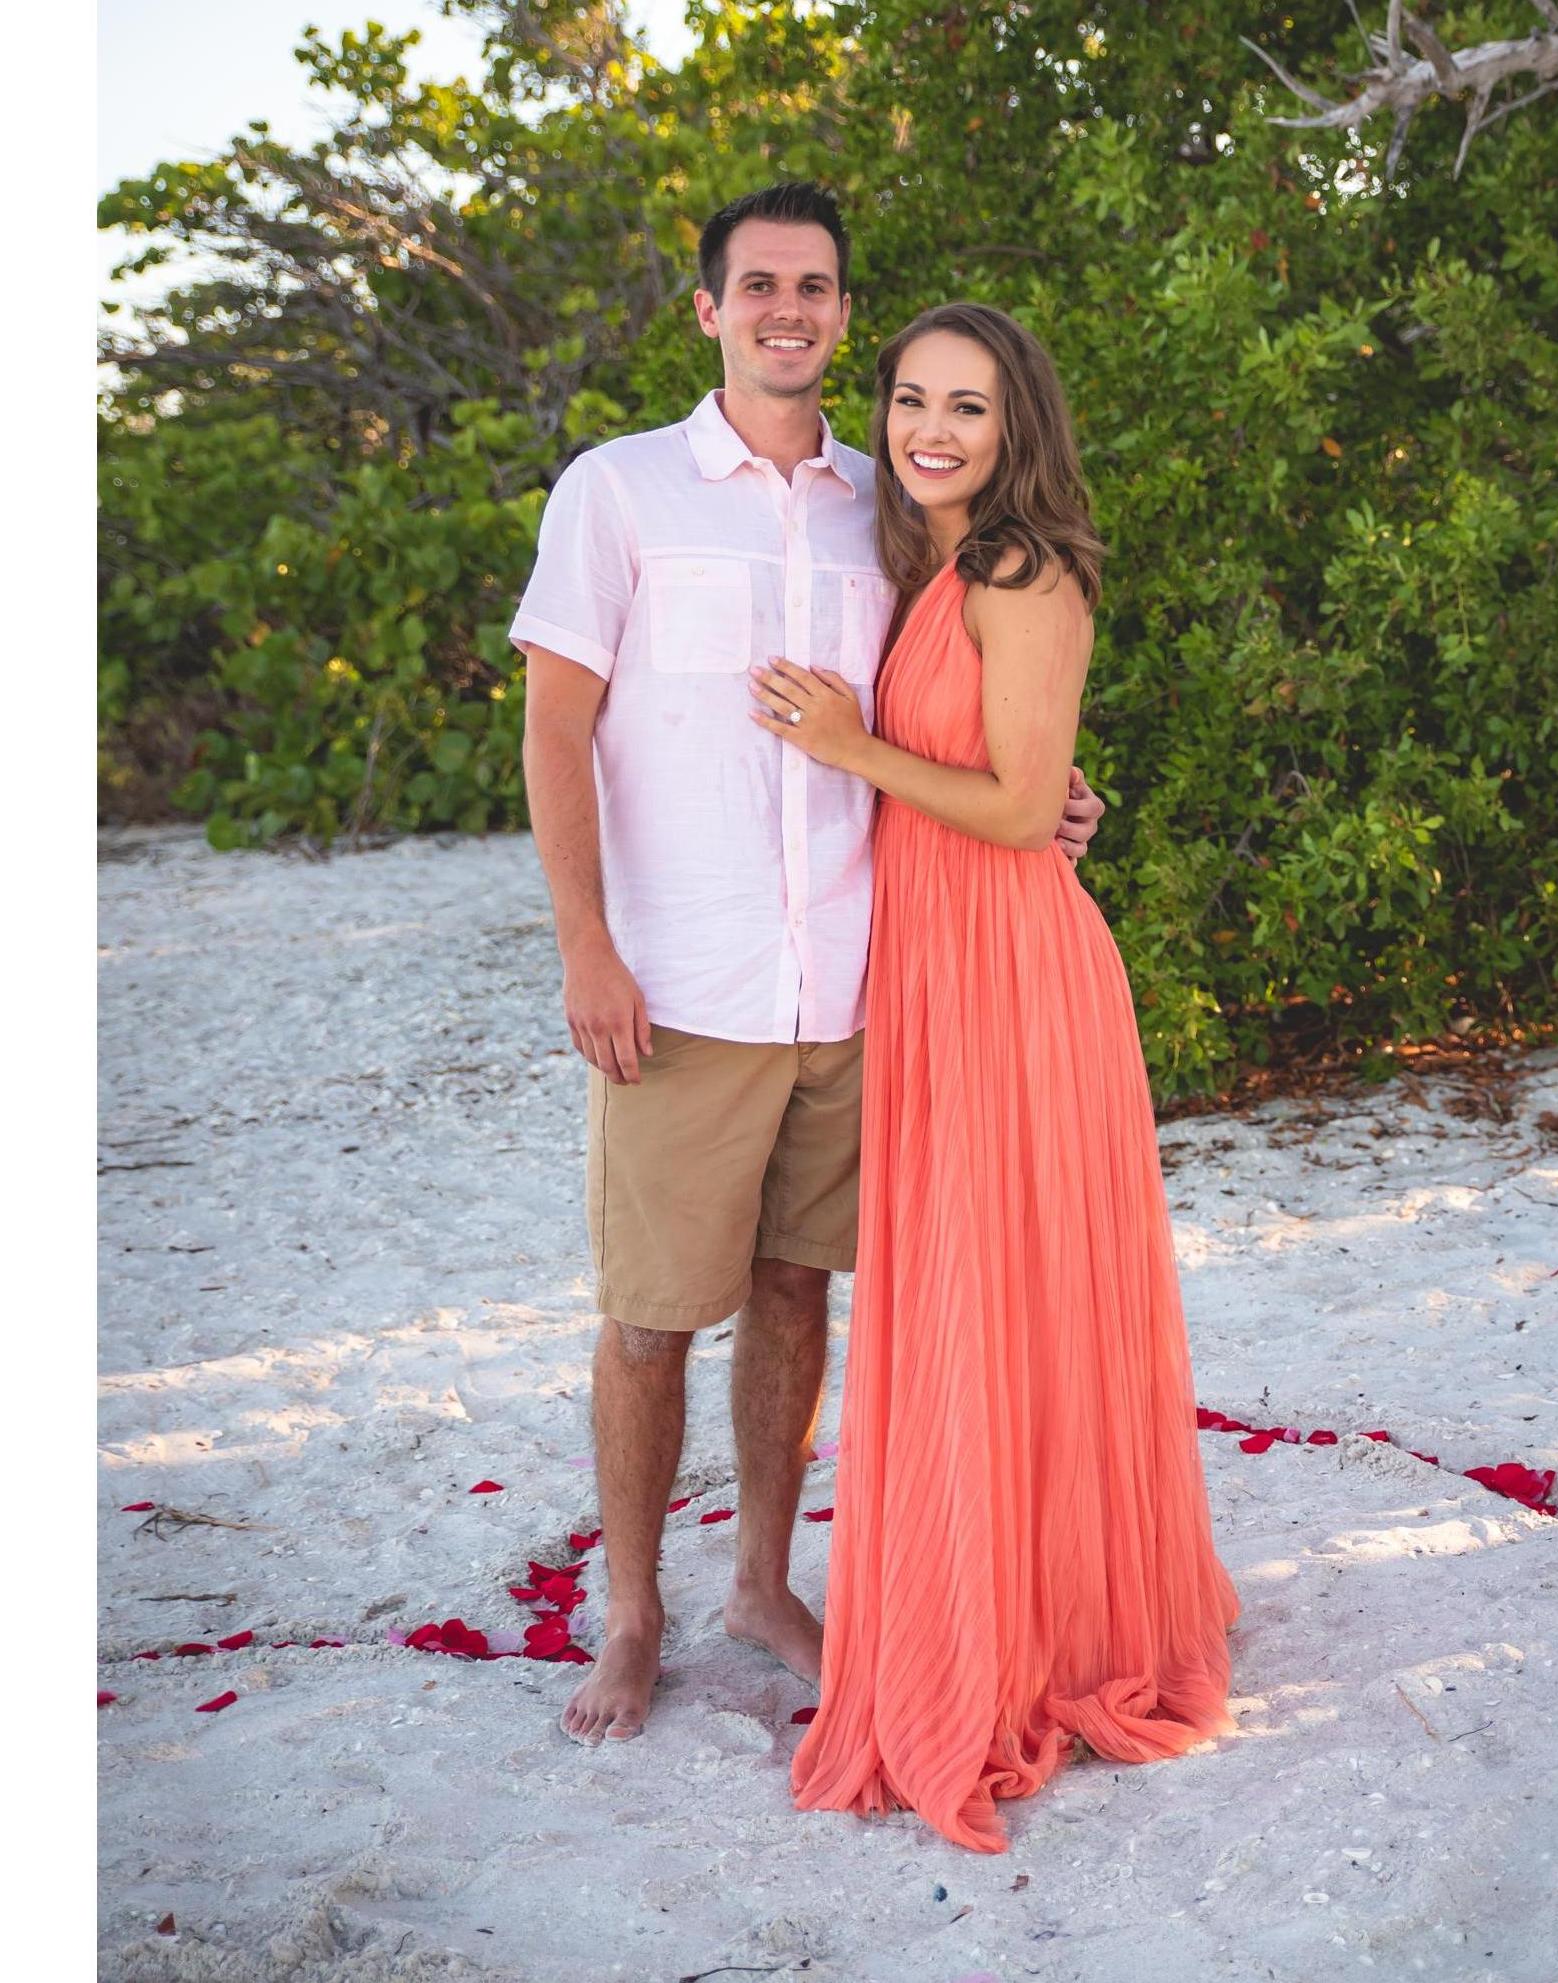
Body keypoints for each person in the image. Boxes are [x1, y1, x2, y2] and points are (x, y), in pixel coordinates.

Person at [509, 185, 1106, 1746]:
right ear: (707, 309)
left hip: (859, 981)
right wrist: (588, 946)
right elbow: (554, 724)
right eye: (760, 284)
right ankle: (632, 1614)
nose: (792, 309)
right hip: (684, 982)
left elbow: (953, 698)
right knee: (651, 1315)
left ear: (847, 312)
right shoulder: (618, 492)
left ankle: (761, 1587)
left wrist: (1055, 796)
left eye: (819, 287)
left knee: (793, 1297)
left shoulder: (889, 505)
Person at [757, 303, 1239, 1853]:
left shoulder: (1022, 565)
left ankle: (1032, 1637)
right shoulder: (940, 570)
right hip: (946, 968)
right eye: (909, 399)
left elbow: (1025, 810)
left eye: (968, 403)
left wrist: (852, 747)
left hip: (1013, 975)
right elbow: (1028, 777)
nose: (933, 427)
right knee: (990, 1299)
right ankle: (1010, 1604)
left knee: (999, 1297)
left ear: (1017, 422)